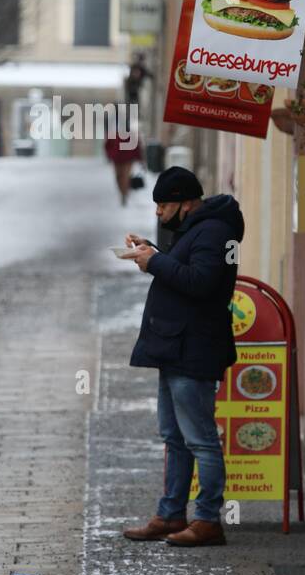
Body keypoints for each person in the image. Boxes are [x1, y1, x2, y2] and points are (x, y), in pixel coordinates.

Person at [122, 166, 244, 547]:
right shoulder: (198, 229)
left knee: (200, 439)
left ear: (186, 202)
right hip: (175, 346)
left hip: (194, 348)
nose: (158, 213)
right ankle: (172, 513)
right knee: (174, 437)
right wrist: (152, 251)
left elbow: (201, 282)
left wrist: (155, 262)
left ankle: (207, 519)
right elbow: (187, 269)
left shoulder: (215, 231)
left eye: (163, 205)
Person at [104, 122, 140, 205]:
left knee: (125, 177)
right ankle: (122, 192)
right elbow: (107, 146)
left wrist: (139, 159)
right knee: (118, 177)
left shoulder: (131, 136)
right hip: (117, 160)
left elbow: (137, 147)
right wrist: (110, 155)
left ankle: (124, 193)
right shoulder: (114, 135)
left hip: (128, 160)